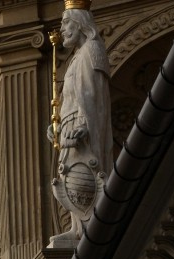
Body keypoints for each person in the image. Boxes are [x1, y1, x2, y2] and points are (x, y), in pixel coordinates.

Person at [49, 4, 112, 244]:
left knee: (84, 172)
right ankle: (78, 227)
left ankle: (89, 226)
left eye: (66, 23)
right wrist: (57, 128)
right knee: (70, 171)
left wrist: (86, 124)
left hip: (82, 126)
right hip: (70, 126)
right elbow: (71, 99)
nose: (62, 29)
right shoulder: (77, 57)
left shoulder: (92, 49)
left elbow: (94, 94)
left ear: (80, 23)